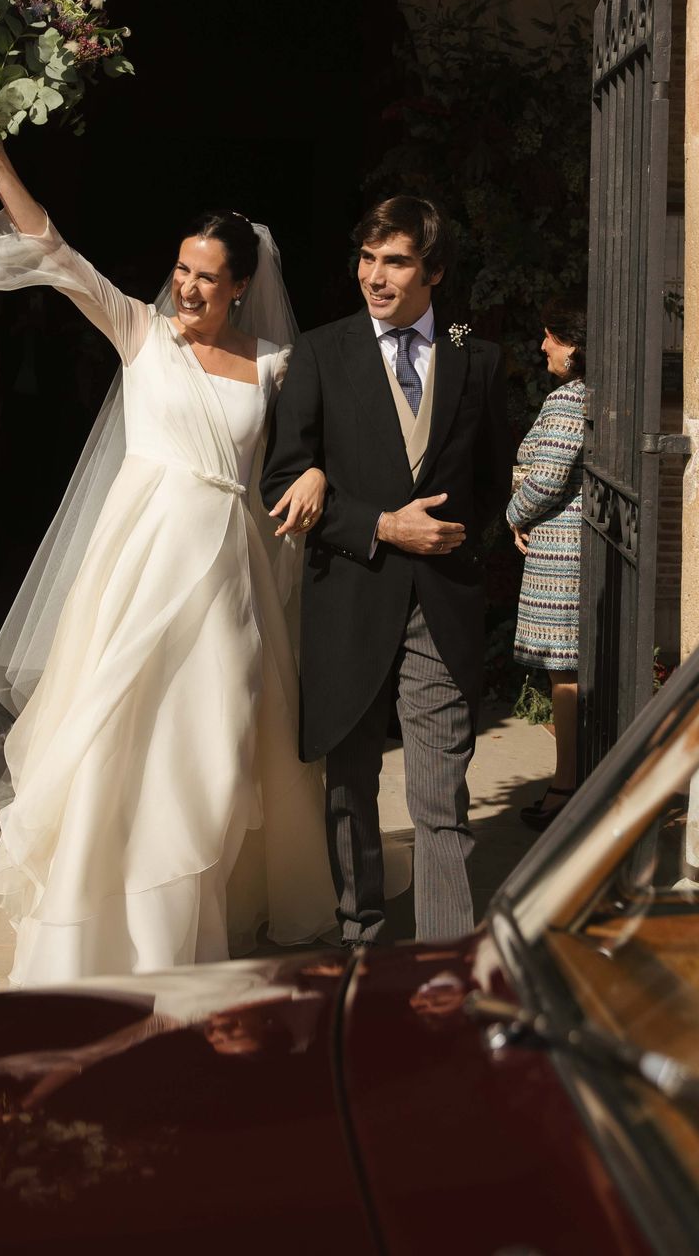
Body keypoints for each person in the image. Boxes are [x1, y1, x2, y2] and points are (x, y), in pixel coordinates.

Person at [0, 124, 338, 984]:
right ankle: (93, 930)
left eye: (209, 277)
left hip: (228, 579)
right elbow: (51, 251)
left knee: (212, 745)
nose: (190, 286)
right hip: (138, 573)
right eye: (183, 270)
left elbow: (306, 447)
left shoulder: (279, 364)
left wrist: (314, 466)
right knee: (115, 740)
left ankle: (190, 922)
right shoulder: (140, 331)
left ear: (242, 286)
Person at [262, 195, 512, 946]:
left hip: (439, 601)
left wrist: (459, 548)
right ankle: (360, 938)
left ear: (434, 270)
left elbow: (494, 480)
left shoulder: (480, 359)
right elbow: (281, 481)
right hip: (349, 597)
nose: (374, 275)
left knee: (440, 797)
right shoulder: (320, 351)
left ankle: (444, 958)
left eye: (395, 260)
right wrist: (377, 524)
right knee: (350, 787)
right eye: (367, 258)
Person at [506, 295, 586, 832]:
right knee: (570, 673)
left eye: (550, 336)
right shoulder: (593, 396)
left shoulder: (567, 400)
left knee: (565, 676)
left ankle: (567, 785)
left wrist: (514, 512)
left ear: (573, 343)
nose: (542, 346)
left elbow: (546, 477)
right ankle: (574, 779)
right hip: (571, 542)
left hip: (560, 550)